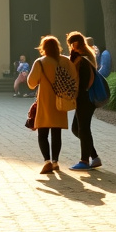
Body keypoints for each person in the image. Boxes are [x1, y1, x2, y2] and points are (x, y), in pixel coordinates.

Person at [24, 36, 75, 173]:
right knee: (56, 134)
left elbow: (31, 84)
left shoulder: (40, 62)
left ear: (43, 48)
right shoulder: (65, 61)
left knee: (42, 134)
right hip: (60, 101)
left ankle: (46, 161)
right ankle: (55, 161)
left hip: (45, 102)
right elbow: (74, 78)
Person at [66, 32, 101, 171]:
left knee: (83, 129)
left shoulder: (82, 60)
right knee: (77, 128)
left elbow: (81, 83)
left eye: (71, 44)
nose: (70, 47)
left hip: (84, 99)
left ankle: (84, 161)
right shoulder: (88, 57)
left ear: (75, 44)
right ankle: (94, 157)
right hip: (87, 99)